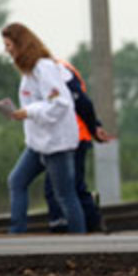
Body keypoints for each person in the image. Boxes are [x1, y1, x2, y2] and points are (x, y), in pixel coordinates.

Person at [1, 22, 86, 234]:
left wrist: (29, 112)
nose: (6, 50)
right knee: (17, 180)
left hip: (56, 143)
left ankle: (81, 242)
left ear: (21, 44)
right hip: (38, 143)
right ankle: (16, 233)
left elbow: (60, 104)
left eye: (9, 45)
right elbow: (38, 103)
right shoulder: (29, 72)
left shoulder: (44, 68)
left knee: (65, 195)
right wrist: (24, 112)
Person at [45, 59, 112, 233]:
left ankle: (77, 228)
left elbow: (82, 102)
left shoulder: (58, 69)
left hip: (73, 137)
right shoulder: (48, 69)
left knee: (65, 187)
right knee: (69, 186)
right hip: (60, 138)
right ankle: (89, 226)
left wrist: (93, 127)